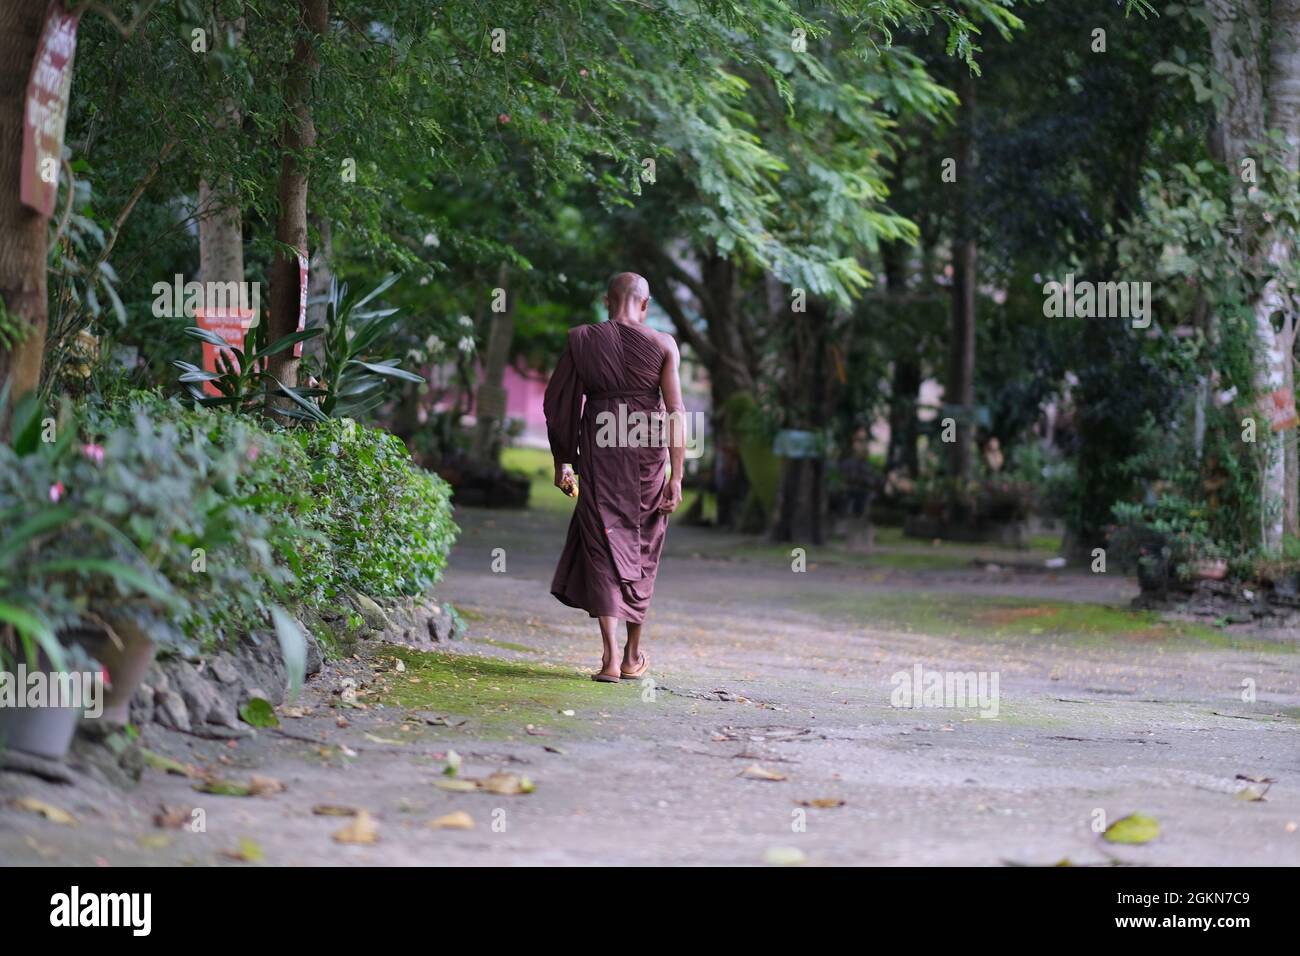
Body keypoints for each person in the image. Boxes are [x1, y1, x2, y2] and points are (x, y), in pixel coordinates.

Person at [543, 272, 686, 682]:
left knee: (603, 544)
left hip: (600, 451)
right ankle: (632, 654)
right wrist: (677, 475)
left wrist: (562, 461)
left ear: (607, 301)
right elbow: (676, 412)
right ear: (645, 304)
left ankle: (607, 659)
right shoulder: (663, 344)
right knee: (643, 544)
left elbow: (560, 404)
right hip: (647, 452)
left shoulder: (581, 339)